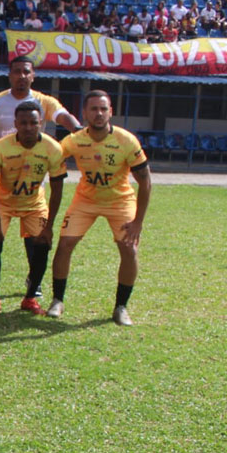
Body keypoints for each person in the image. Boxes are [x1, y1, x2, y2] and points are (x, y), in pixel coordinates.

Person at [48, 90, 151, 326]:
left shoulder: (126, 141)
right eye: (93, 109)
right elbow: (50, 158)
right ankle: (57, 300)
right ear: (84, 113)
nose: (99, 113)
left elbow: (146, 181)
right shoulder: (74, 140)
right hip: (86, 200)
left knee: (129, 250)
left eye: (104, 109)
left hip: (120, 201)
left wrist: (138, 222)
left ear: (111, 112)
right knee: (65, 245)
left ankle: (121, 307)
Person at [0, 101, 67, 316]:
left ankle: (29, 298)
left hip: (33, 204)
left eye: (33, 123)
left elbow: (57, 189)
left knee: (42, 245)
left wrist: (50, 226)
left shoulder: (53, 148)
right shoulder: (1, 147)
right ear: (15, 123)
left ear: (41, 124)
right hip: (3, 203)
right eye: (24, 123)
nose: (29, 127)